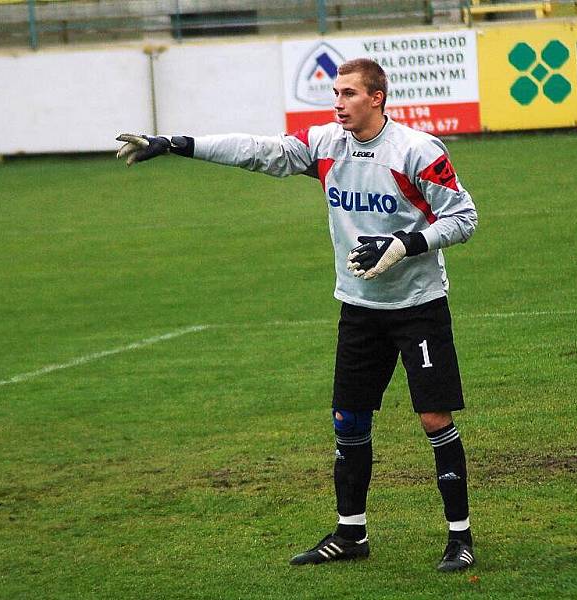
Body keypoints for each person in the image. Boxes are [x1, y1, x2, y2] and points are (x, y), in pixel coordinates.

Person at [115, 58, 478, 572]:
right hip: (358, 307)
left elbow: (465, 218)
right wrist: (178, 143)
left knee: (433, 417)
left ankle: (459, 538)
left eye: (349, 93)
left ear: (377, 98)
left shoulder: (417, 151)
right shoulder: (327, 143)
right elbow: (258, 151)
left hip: (418, 308)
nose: (338, 102)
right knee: (348, 420)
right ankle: (351, 533)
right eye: (335, 93)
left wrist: (404, 243)